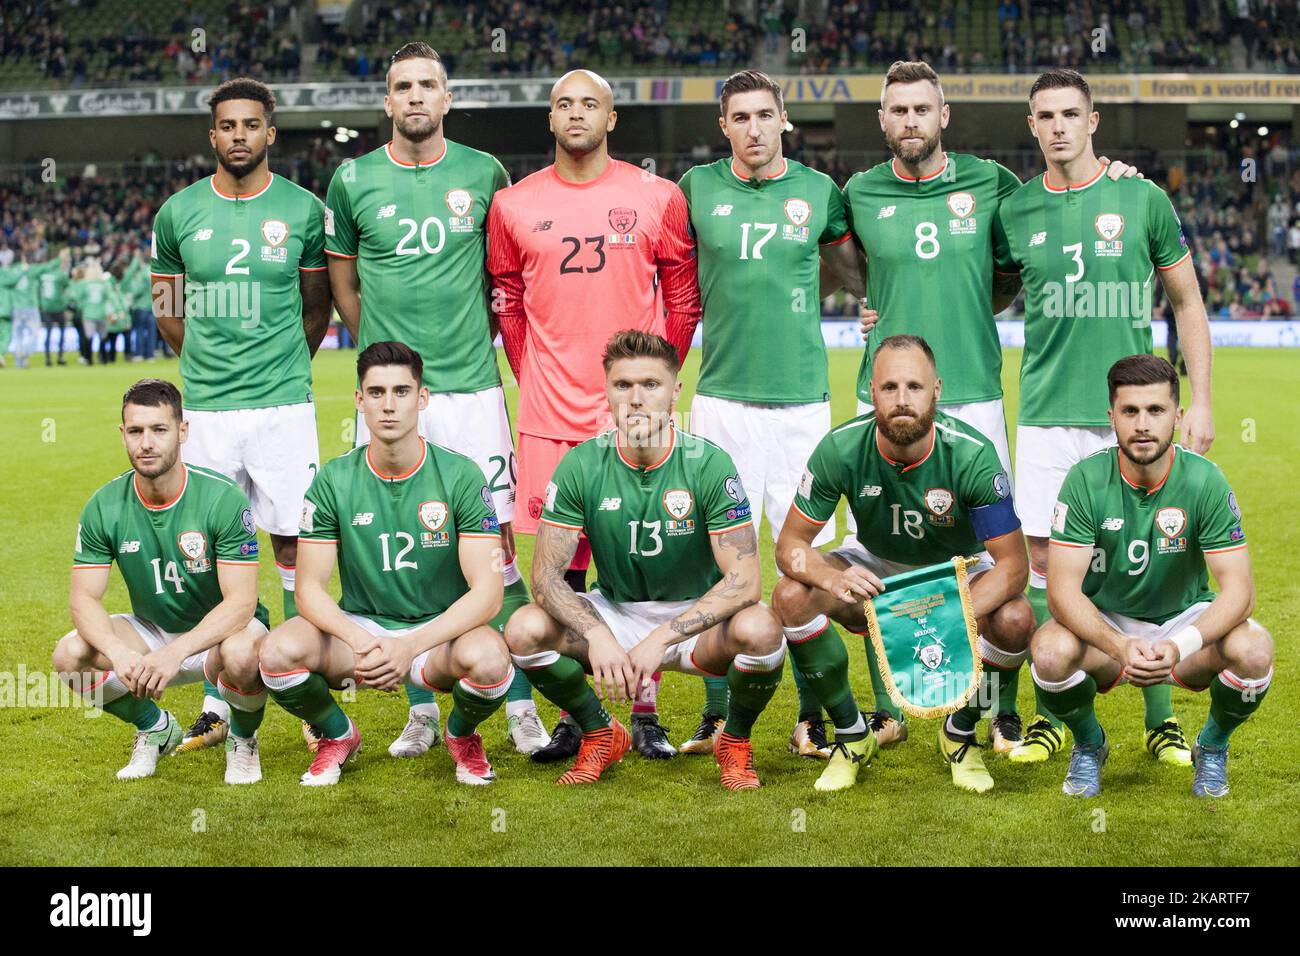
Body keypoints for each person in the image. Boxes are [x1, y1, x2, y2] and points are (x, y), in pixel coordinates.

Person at [842, 61, 1142, 752]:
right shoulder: (857, 192)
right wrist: (870, 306)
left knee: (995, 559)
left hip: (973, 397)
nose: (910, 120)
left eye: (923, 108)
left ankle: (994, 706)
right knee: (883, 550)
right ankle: (889, 704)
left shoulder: (994, 185)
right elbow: (834, 261)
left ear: (944, 115)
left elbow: (1011, 272)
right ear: (882, 120)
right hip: (881, 398)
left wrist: (1121, 180)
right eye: (898, 110)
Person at [324, 42, 545, 757]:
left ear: (447, 99)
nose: (415, 96)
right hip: (394, 394)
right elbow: (344, 287)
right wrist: (391, 363)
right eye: (401, 87)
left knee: (499, 550)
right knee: (406, 556)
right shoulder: (352, 180)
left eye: (428, 86)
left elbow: (503, 278)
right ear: (386, 102)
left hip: (474, 392)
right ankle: (421, 706)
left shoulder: (485, 173)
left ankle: (516, 703)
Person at [995, 69, 1215, 765]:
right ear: (1031, 127)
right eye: (1045, 116)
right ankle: (1060, 717)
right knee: (1043, 568)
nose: (1058, 126)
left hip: (1132, 412)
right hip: (1044, 417)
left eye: (1070, 114)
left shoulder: (1141, 197)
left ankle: (1160, 720)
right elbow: (990, 293)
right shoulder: (1015, 211)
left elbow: (1187, 303)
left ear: (1094, 122)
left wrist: (1202, 400)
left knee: (1137, 563)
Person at [487, 69, 702, 762]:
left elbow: (682, 297)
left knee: (642, 564)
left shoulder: (657, 197)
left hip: (634, 413)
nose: (575, 113)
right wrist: (536, 378)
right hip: (551, 417)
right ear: (548, 120)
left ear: (612, 120)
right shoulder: (513, 205)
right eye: (562, 104)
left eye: (590, 103)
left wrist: (655, 384)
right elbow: (509, 303)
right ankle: (583, 719)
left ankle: (645, 715)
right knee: (564, 575)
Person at [504, 331, 785, 790]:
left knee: (762, 629)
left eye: (651, 385)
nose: (636, 399)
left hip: (697, 622)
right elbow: (545, 578)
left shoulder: (709, 465)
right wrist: (596, 634)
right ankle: (600, 732)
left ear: (676, 390)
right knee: (523, 629)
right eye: (623, 385)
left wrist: (661, 638)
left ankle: (734, 739)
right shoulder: (582, 464)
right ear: (607, 390)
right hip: (617, 613)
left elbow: (746, 580)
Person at [676, 69, 859, 759]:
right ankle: (717, 715)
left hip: (803, 408)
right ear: (723, 126)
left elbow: (853, 273)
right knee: (722, 566)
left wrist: (869, 305)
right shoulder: (695, 190)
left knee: (804, 566)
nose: (753, 129)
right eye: (739, 118)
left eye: (764, 115)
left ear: (784, 119)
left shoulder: (820, 194)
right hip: (721, 401)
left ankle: (812, 718)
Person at [151, 77, 333, 755]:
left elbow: (317, 309)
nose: (238, 137)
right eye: (227, 126)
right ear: (213, 136)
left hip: (284, 406)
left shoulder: (303, 210)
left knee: (293, 547)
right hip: (207, 410)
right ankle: (217, 699)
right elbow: (168, 309)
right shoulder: (176, 214)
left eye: (250, 125)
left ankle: (306, 697)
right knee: (213, 557)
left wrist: (281, 365)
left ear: (269, 133)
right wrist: (206, 365)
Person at [773, 335, 1033, 792]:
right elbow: (790, 545)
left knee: (1015, 617)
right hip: (875, 567)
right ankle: (852, 736)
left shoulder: (972, 454)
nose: (902, 400)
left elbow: (1013, 567)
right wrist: (831, 578)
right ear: (871, 391)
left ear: (937, 390)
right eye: (889, 387)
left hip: (956, 569)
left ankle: (961, 733)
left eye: (914, 387)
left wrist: (953, 608)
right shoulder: (840, 447)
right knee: (791, 595)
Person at [258, 342, 514, 786]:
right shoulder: (333, 480)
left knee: (492, 662)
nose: (389, 405)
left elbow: (488, 593)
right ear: (359, 401)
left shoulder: (461, 476)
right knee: (276, 653)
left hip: (439, 638)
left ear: (423, 397)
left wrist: (409, 647)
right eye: (376, 393)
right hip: (363, 634)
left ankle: (461, 734)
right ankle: (338, 735)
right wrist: (363, 642)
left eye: (401, 391)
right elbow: (309, 590)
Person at [1033, 355, 1271, 798]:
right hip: (1108, 625)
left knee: (1254, 650)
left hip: (1183, 624)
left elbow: (1240, 593)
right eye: (1130, 411)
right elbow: (1063, 593)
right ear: (1112, 417)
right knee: (1048, 651)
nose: (1143, 424)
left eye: (1156, 411)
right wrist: (1120, 646)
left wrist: (1179, 645)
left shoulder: (1206, 481)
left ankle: (1212, 746)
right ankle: (1089, 743)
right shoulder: (1084, 480)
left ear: (1177, 417)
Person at [53, 379, 270, 783]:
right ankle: (155, 728)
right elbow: (83, 599)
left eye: (159, 429)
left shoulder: (222, 499)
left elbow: (241, 603)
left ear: (183, 431)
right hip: (153, 633)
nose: (146, 443)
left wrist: (178, 653)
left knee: (242, 655)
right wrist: (118, 652)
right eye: (135, 431)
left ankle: (242, 740)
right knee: (70, 655)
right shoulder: (104, 505)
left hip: (219, 638)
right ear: (123, 435)